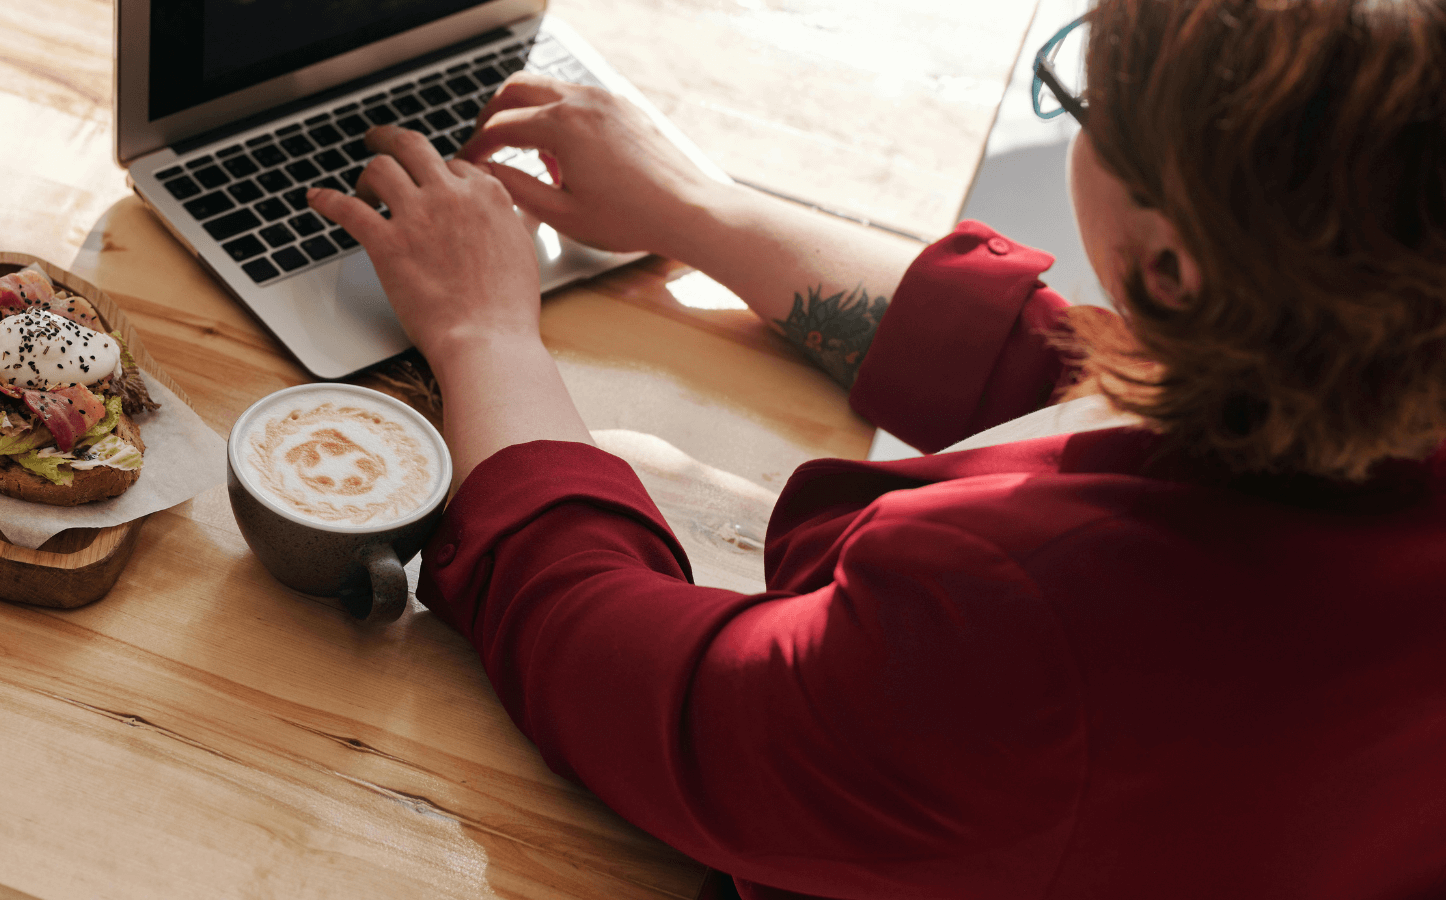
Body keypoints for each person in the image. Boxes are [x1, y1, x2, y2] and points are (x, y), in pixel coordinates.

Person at [308, 0, 1446, 895]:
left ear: (1170, 271)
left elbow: (662, 704)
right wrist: (699, 210)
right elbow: (1100, 379)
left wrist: (481, 330)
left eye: (1088, 96)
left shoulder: (1021, 614)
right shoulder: (1383, 373)